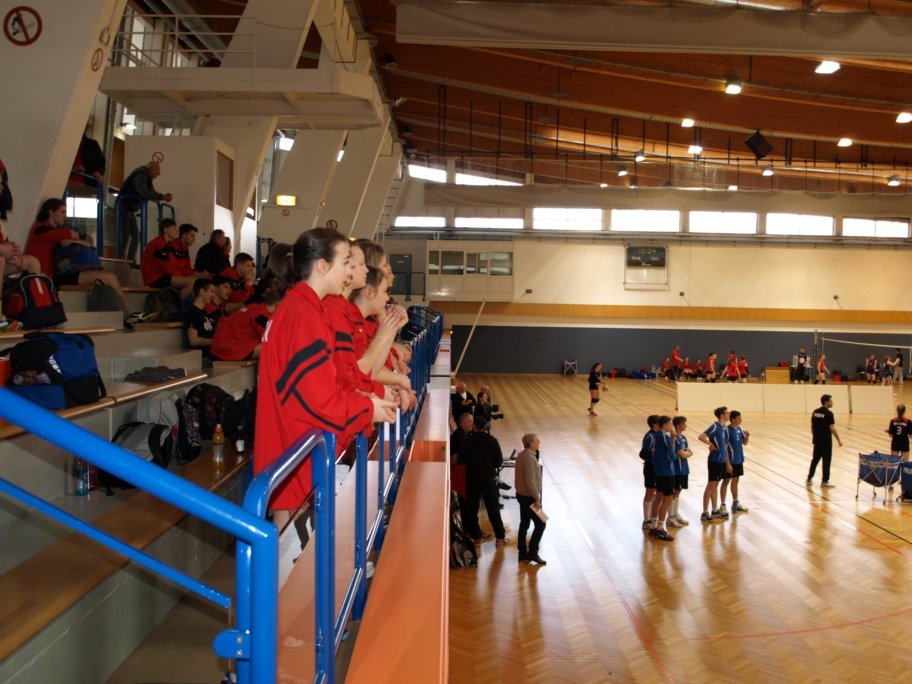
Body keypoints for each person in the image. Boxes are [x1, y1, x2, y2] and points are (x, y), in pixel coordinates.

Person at [254, 227, 397, 533]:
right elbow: (320, 398)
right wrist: (367, 408)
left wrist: (367, 401)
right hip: (295, 443)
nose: (350, 271)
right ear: (322, 266)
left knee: (291, 535)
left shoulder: (301, 308)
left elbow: (328, 384)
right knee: (291, 544)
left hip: (294, 441)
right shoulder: (302, 314)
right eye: (346, 262)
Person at [26, 198, 150, 325]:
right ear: (51, 212)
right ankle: (128, 313)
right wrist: (74, 238)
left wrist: (74, 240)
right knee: (107, 278)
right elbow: (73, 234)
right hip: (50, 277)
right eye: (62, 212)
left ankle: (128, 312)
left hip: (63, 271)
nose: (65, 216)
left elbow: (86, 243)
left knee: (109, 277)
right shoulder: (40, 229)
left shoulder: (56, 230)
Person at [459, 415, 509, 545]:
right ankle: (500, 537)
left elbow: (461, 459)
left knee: (472, 509)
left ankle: (476, 537)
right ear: (485, 426)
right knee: (493, 509)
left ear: (474, 426)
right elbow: (499, 461)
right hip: (488, 479)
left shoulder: (467, 441)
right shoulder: (492, 441)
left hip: (472, 480)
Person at [118, 161, 172, 264]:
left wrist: (162, 197)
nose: (159, 173)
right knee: (125, 235)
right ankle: (121, 261)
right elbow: (144, 192)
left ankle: (129, 260)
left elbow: (150, 192)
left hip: (128, 207)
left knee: (134, 235)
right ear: (151, 168)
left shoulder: (147, 176)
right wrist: (162, 197)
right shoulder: (141, 174)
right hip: (124, 206)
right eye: (158, 170)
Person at [209, 281, 276, 361]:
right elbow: (270, 339)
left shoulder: (255, 307)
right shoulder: (262, 314)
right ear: (278, 303)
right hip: (225, 349)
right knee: (272, 346)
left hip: (220, 347)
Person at [515, 433, 546, 564]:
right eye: (537, 440)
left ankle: (522, 553)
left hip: (522, 495)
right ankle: (533, 553)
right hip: (529, 497)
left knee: (524, 524)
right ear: (531, 443)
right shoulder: (529, 458)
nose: (539, 441)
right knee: (541, 523)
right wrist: (537, 499)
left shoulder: (523, 455)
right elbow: (530, 481)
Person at [699, 406, 731, 522]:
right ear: (722, 415)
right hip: (714, 460)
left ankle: (714, 510)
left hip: (722, 460)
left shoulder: (725, 428)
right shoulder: (715, 427)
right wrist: (710, 444)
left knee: (715, 485)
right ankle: (705, 512)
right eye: (727, 412)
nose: (729, 414)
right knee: (711, 485)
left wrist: (727, 463)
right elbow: (701, 436)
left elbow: (725, 446)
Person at [648, 416, 677, 542]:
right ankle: (660, 529)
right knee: (668, 499)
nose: (671, 426)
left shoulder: (655, 436)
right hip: (667, 472)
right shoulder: (665, 437)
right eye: (670, 424)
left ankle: (653, 527)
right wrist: (673, 439)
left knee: (658, 497)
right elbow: (673, 456)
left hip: (659, 471)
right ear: (664, 425)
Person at [806, 394, 842, 488]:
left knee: (815, 460)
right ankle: (825, 481)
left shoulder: (815, 412)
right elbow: (832, 428)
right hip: (826, 442)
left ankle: (809, 478)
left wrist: (814, 436)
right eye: (831, 401)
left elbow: (812, 425)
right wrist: (838, 439)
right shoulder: (829, 414)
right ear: (826, 402)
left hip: (817, 441)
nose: (832, 402)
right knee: (826, 461)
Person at [721, 410, 750, 515]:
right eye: (738, 418)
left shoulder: (739, 429)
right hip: (730, 461)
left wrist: (747, 436)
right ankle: (723, 505)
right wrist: (728, 463)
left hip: (738, 460)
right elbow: (725, 448)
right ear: (733, 419)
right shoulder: (727, 431)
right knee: (726, 481)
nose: (741, 420)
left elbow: (744, 443)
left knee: (735, 481)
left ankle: (735, 502)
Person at [667, 416, 691, 527]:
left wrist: (686, 453)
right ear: (677, 426)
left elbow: (688, 451)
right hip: (676, 470)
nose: (685, 425)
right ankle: (670, 517)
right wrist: (686, 453)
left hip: (684, 470)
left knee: (677, 493)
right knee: (673, 494)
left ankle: (675, 515)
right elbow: (681, 454)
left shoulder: (683, 438)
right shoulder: (674, 438)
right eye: (683, 424)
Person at [184, 278, 218, 354]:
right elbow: (193, 340)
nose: (213, 295)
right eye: (211, 291)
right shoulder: (192, 312)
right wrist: (215, 342)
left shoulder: (203, 312)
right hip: (201, 357)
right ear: (202, 291)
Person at [640, 415, 660, 529]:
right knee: (650, 492)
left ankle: (653, 517)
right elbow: (643, 453)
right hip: (651, 468)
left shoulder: (659, 435)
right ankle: (646, 520)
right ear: (654, 424)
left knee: (657, 493)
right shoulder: (650, 436)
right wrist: (654, 461)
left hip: (658, 469)